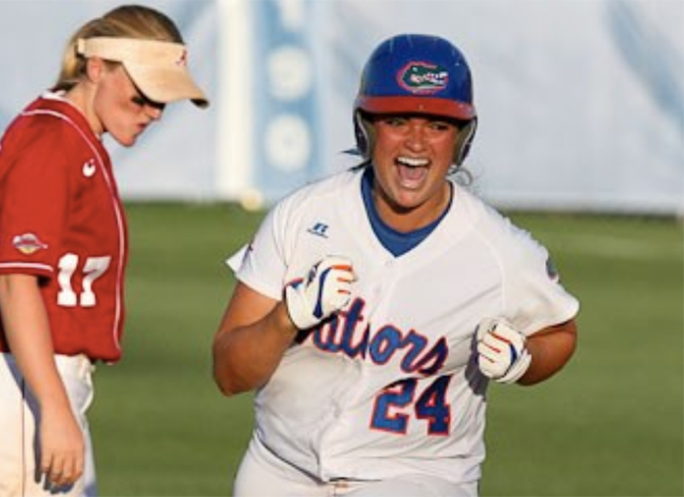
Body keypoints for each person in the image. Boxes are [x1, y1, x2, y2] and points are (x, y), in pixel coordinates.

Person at [212, 33, 578, 497]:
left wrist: (523, 362)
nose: (417, 142)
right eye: (398, 120)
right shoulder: (303, 216)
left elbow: (559, 331)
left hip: (417, 477)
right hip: (281, 470)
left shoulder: (498, 250)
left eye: (439, 125)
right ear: (364, 127)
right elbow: (229, 374)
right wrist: (286, 318)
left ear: (463, 138)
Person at [0, 5, 208, 496]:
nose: (153, 111)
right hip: (23, 388)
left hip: (23, 384)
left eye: (163, 101)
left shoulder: (71, 136)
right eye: (142, 95)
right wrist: (51, 407)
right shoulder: (51, 143)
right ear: (96, 68)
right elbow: (13, 278)